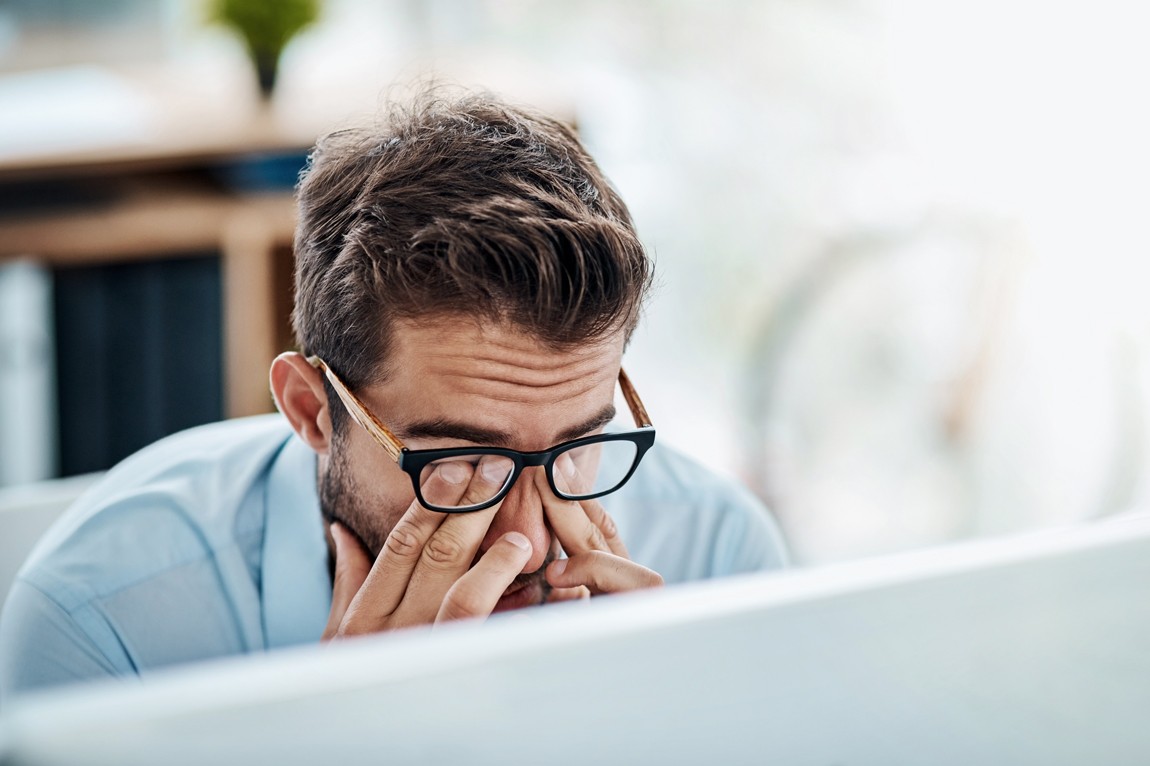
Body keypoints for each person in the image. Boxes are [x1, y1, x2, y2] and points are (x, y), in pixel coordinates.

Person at [0, 89, 788, 702]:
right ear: (312, 409)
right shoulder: (102, 622)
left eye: (576, 446)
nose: (532, 541)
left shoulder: (717, 560)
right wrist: (349, 737)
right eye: (464, 461)